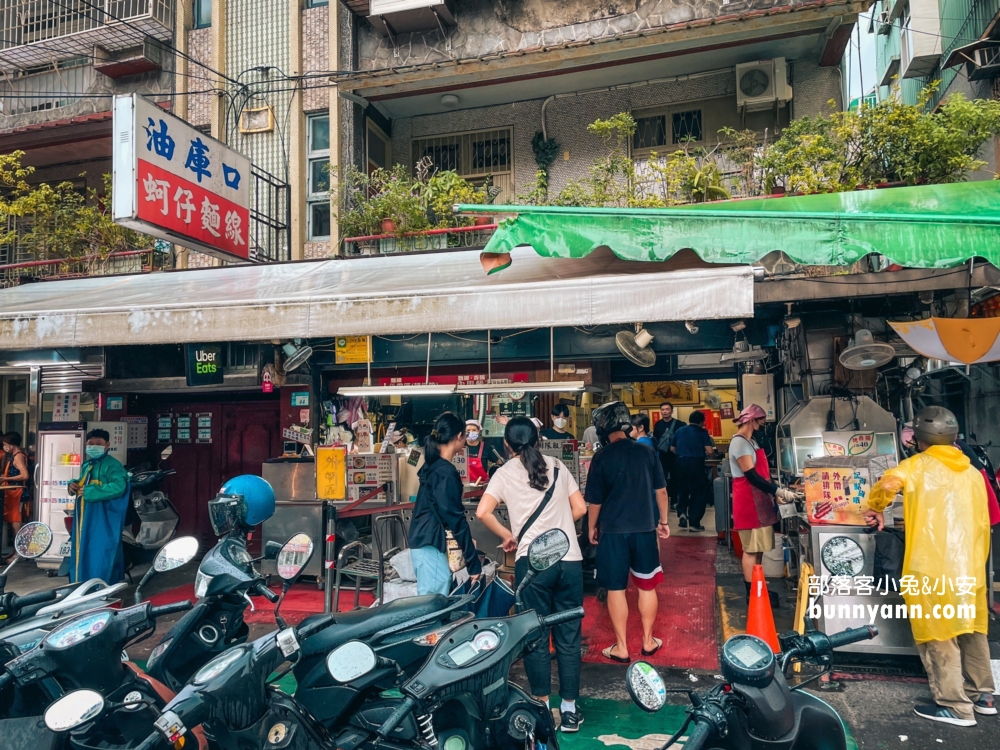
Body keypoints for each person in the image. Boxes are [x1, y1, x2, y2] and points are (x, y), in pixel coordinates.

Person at [865, 406, 995, 726]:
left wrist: (875, 508)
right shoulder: (972, 472)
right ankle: (983, 695)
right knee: (971, 628)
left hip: (931, 566)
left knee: (939, 636)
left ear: (920, 438)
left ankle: (955, 706)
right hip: (970, 565)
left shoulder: (915, 467)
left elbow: (885, 485)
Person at [476, 417, 587, 732]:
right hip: (569, 560)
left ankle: (542, 708)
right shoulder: (557, 467)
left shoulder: (504, 473)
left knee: (536, 637)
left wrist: (508, 535)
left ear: (507, 444)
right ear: (539, 438)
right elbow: (579, 509)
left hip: (533, 566)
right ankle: (569, 711)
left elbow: (483, 511)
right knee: (568, 637)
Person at [586, 401, 670, 663]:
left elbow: (595, 502)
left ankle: (621, 647)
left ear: (603, 427)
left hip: (612, 532)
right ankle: (648, 642)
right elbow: (661, 491)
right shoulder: (646, 452)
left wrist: (591, 527)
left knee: (616, 589)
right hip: (644, 528)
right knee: (646, 586)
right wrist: (664, 521)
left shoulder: (601, 457)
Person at [408, 413, 482, 595]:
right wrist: (473, 564)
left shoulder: (433, 466)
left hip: (426, 541)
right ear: (459, 436)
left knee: (430, 604)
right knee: (431, 608)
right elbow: (455, 518)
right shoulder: (445, 472)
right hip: (431, 543)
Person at [729, 405, 796, 606]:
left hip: (759, 499)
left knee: (758, 550)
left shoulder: (751, 441)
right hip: (749, 502)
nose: (762, 426)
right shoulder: (739, 443)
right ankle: (752, 595)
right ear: (752, 420)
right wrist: (777, 491)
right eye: (761, 422)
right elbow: (750, 474)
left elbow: (761, 475)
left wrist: (773, 495)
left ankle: (759, 589)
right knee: (750, 549)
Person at [67, 429, 130, 584]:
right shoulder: (87, 464)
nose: (93, 447)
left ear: (107, 445)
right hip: (85, 517)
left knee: (100, 551)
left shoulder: (113, 466)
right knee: (83, 550)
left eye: (98, 444)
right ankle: (81, 584)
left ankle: (100, 587)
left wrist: (89, 491)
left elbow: (118, 487)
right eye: (90, 444)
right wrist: (72, 485)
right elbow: (82, 482)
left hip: (102, 518)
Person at [672, 412, 716, 532]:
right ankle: (694, 522)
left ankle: (682, 513)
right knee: (698, 492)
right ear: (702, 422)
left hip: (680, 463)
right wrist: (711, 455)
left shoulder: (680, 430)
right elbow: (710, 451)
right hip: (696, 464)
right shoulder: (702, 432)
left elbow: (672, 448)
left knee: (682, 490)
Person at [652, 402, 684, 509]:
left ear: (672, 411)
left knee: (676, 479)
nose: (665, 411)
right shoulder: (658, 424)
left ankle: (674, 501)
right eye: (663, 409)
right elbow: (655, 440)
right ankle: (665, 501)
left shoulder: (680, 424)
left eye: (667, 409)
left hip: (675, 456)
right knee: (662, 479)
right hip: (662, 456)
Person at [2, 432, 29, 540]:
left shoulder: (18, 457)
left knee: (16, 522)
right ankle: (16, 550)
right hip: (14, 492)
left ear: (11, 444)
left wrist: (5, 479)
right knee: (14, 521)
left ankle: (19, 551)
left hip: (17, 493)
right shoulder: (17, 456)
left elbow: (25, 475)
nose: (4, 447)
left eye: (5, 444)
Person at [465, 420, 490, 485]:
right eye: (468, 430)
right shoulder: (460, 448)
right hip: (463, 486)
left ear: (479, 431)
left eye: (474, 430)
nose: (471, 432)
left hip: (481, 487)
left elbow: (499, 462)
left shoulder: (486, 447)